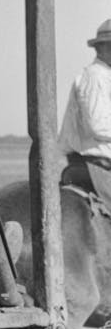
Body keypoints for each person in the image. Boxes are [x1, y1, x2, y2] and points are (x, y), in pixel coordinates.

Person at [58, 18, 111, 207]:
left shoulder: (104, 76)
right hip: (96, 167)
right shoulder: (96, 76)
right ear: (104, 48)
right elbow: (98, 125)